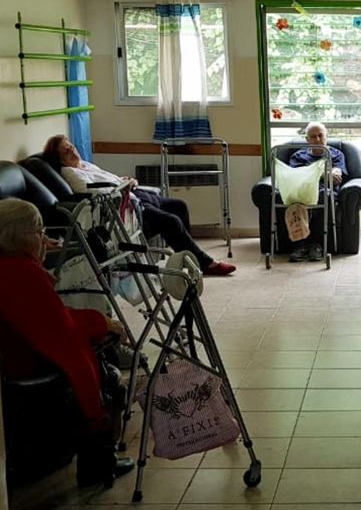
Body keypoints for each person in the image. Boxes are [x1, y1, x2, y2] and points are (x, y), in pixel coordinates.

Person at [0, 198, 134, 485]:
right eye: (38, 231)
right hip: (27, 364)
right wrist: (102, 323)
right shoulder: (22, 273)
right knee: (105, 370)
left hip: (15, 355)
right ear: (16, 236)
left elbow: (48, 318)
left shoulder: (11, 266)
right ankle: (99, 466)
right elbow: (61, 328)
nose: (44, 239)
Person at [43, 135, 235, 276]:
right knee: (172, 221)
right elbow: (91, 190)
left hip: (134, 193)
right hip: (124, 205)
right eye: (65, 151)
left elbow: (108, 179)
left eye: (71, 146)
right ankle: (205, 263)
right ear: (58, 159)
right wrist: (121, 187)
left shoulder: (85, 165)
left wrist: (125, 180)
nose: (72, 151)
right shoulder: (69, 172)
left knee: (179, 206)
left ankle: (188, 258)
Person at [287, 122, 347, 262]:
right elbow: (295, 177)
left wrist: (314, 173)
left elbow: (336, 178)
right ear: (307, 139)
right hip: (303, 191)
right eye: (313, 137)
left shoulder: (336, 155)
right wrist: (323, 173)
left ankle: (316, 245)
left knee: (322, 195)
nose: (318, 139)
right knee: (295, 198)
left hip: (325, 192)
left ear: (326, 136)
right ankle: (301, 246)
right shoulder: (298, 156)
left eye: (321, 135)